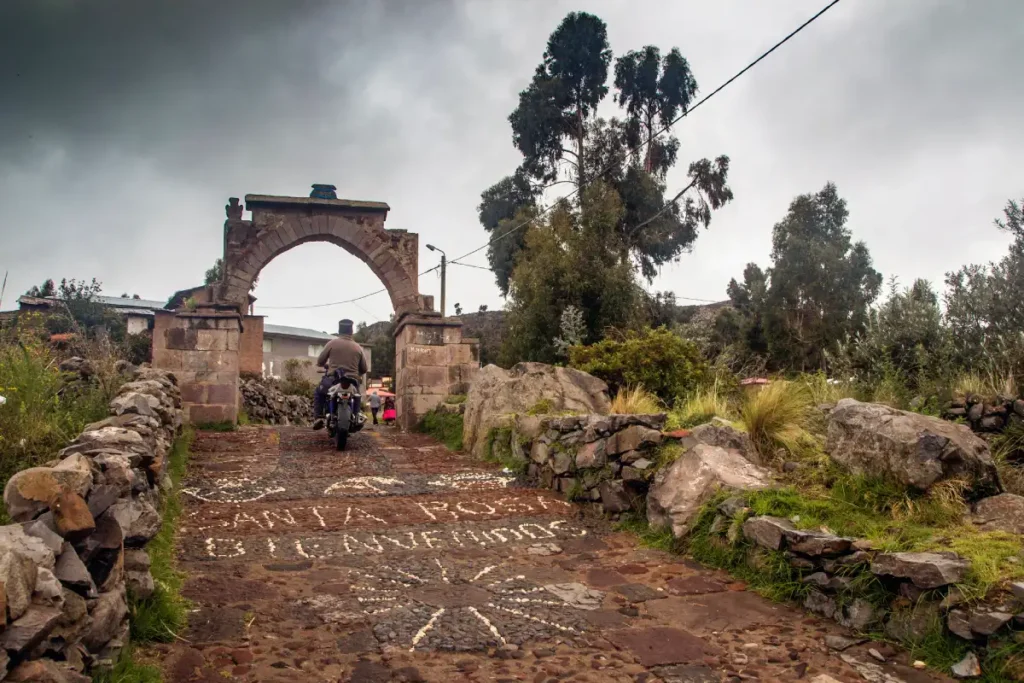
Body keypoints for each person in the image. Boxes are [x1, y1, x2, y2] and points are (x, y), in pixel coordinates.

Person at [312, 319, 368, 430]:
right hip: (352, 381)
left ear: (339, 331)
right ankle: (356, 416)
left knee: (319, 392)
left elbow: (320, 361)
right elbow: (364, 369)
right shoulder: (358, 347)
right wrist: (356, 372)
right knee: (357, 395)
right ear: (351, 332)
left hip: (333, 379)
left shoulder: (331, 343)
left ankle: (318, 417)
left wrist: (326, 365)